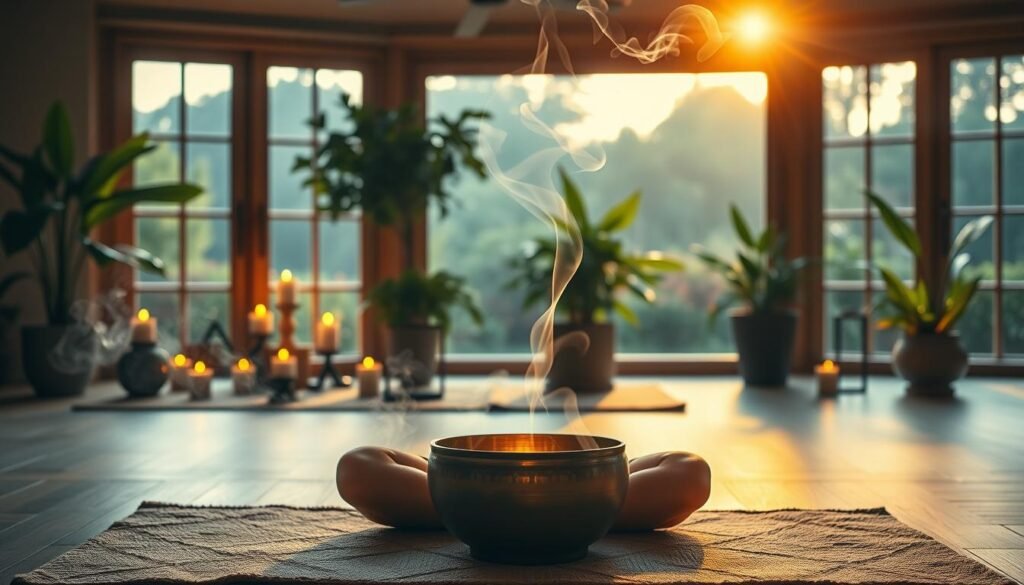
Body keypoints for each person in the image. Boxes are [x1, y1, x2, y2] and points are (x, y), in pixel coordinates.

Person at [336, 447, 711, 532]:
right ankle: (579, 512)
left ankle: (470, 512)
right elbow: (355, 472)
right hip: (588, 501)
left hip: (467, 499)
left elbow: (692, 476)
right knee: (356, 466)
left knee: (691, 471)